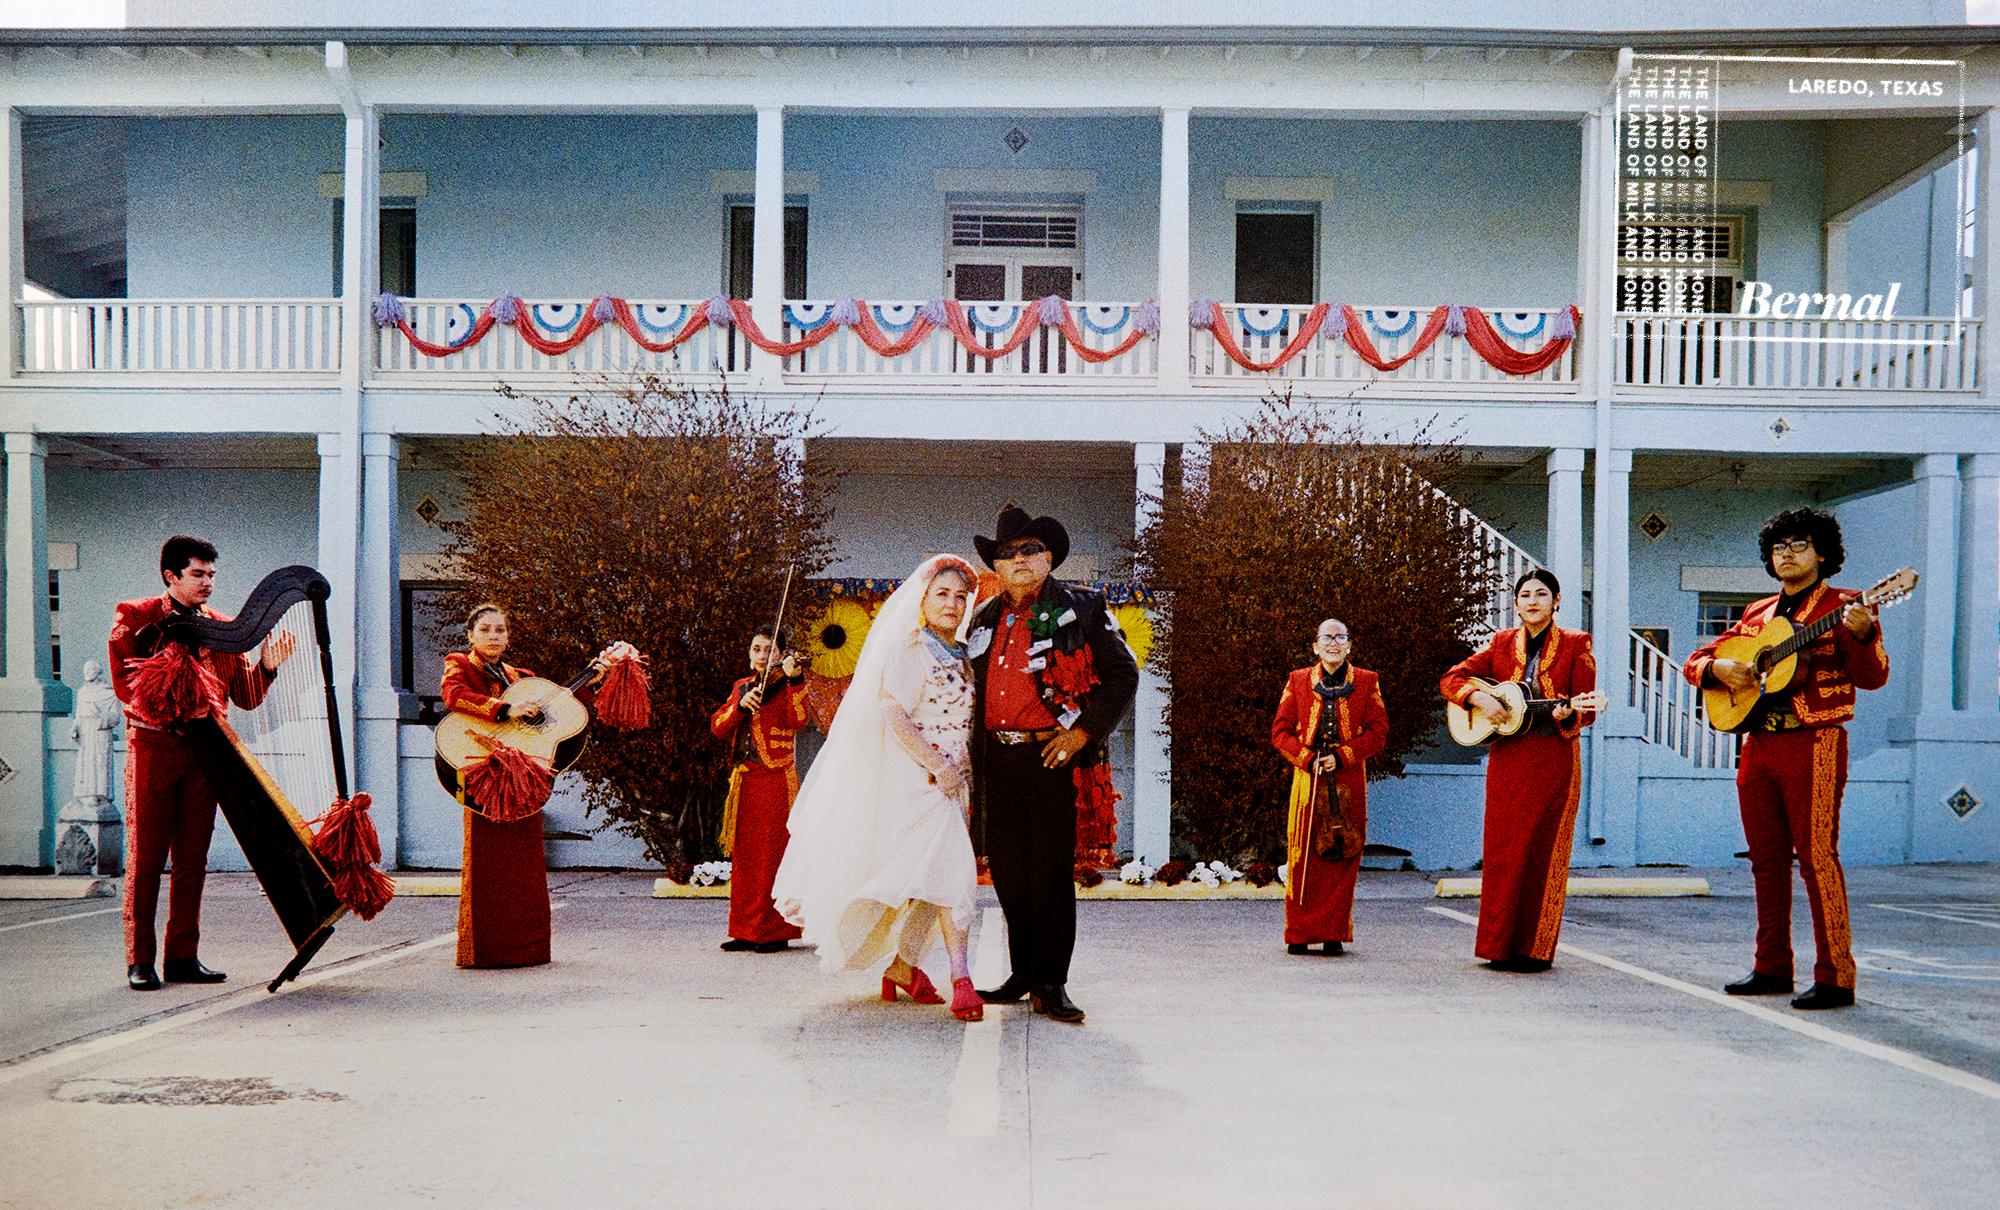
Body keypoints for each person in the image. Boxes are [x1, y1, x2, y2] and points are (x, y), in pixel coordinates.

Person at [1684, 507, 1889, 1010]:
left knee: (1818, 858)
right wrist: (1719, 668)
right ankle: (1771, 965)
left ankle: (1836, 975)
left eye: (1799, 545)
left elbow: (1874, 675)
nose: (1787, 555)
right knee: (1764, 861)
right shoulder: (1756, 614)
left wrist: (1862, 635)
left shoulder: (1848, 604)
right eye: (1779, 548)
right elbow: (1695, 663)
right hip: (1757, 743)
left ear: (1823, 553)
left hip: (1814, 740)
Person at [772, 555, 986, 1021]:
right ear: (924, 600)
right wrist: (938, 766)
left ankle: (903, 967)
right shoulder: (912, 648)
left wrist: (962, 771)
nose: (952, 604)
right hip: (921, 781)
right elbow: (893, 713)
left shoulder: (959, 652)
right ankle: (961, 977)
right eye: (942, 594)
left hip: (954, 783)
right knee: (955, 876)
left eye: (960, 596)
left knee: (935, 880)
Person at [968, 507, 1139, 1024]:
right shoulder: (984, 618)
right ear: (996, 566)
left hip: (1052, 757)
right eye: (1007, 553)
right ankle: (1024, 973)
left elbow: (1122, 675)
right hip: (995, 758)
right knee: (1008, 872)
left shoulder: (1083, 609)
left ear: (1048, 558)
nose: (1018, 560)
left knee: (1049, 874)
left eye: (1028, 551)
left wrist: (1082, 731)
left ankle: (1052, 981)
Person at [108, 535, 295, 991]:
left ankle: (183, 956)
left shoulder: (223, 626)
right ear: (171, 576)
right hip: (154, 746)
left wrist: (267, 666)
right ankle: (141, 960)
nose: (208, 582)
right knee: (147, 858)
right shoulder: (135, 617)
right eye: (198, 574)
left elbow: (245, 697)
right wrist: (181, 692)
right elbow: (128, 688)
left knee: (194, 858)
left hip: (206, 754)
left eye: (212, 574)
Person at [1440, 569, 1598, 973]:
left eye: (1541, 594)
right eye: (1524, 595)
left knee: (1543, 854)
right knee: (1502, 852)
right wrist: (1477, 697)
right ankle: (1496, 946)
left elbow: (1589, 707)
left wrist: (1568, 713)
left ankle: (1534, 950)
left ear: (1557, 601)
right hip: (1507, 759)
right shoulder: (1500, 643)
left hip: (1553, 759)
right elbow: (1450, 678)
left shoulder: (1577, 645)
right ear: (1515, 604)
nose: (1532, 601)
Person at [439, 603, 603, 969]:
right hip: (483, 769)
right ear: (470, 636)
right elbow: (454, 695)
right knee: (487, 861)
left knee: (526, 863)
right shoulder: (460, 664)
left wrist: (592, 681)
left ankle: (527, 950)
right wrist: (503, 709)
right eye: (485, 630)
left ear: (508, 636)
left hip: (524, 775)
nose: (493, 636)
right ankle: (487, 952)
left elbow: (561, 713)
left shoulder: (523, 676)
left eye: (500, 630)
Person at [1270, 618, 1390, 956]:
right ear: (1315, 645)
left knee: (1343, 852)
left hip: (1349, 775)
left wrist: (1344, 756)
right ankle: (1299, 932)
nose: (1333, 643)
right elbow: (1280, 732)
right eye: (1327, 637)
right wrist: (1307, 759)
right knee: (1304, 854)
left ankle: (1334, 932)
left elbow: (1378, 732)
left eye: (1340, 637)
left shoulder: (1368, 681)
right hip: (1308, 777)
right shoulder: (1297, 681)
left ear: (1350, 645)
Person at [711, 624, 810, 953]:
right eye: (756, 648)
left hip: (775, 777)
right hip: (745, 779)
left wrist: (794, 680)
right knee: (746, 858)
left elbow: (798, 719)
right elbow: (719, 727)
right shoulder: (742, 686)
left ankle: (773, 932)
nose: (762, 655)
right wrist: (739, 707)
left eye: (770, 649)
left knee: (772, 855)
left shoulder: (788, 684)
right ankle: (744, 930)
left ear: (782, 654)